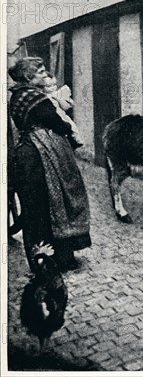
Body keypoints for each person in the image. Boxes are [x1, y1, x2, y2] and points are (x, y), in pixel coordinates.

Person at [8, 57, 91, 271]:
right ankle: (61, 258)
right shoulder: (36, 98)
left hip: (27, 151)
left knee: (35, 208)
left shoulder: (18, 96)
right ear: (28, 77)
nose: (46, 75)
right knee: (57, 200)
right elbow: (58, 123)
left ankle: (40, 259)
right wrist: (65, 128)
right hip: (42, 154)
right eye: (41, 72)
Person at [43, 75, 84, 148]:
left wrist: (59, 99)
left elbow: (66, 106)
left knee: (72, 126)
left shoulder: (57, 94)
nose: (53, 88)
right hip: (54, 115)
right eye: (49, 86)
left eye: (54, 85)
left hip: (61, 114)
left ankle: (76, 140)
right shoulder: (44, 97)